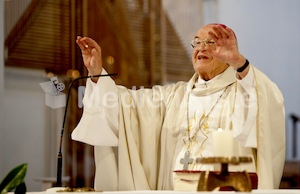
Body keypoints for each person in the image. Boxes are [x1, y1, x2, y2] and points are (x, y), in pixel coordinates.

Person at [72, 24, 285, 191]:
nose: (201, 48)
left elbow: (266, 105)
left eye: (211, 43)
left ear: (229, 52)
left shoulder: (242, 91)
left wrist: (240, 63)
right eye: (196, 43)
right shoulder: (175, 96)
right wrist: (97, 73)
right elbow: (125, 107)